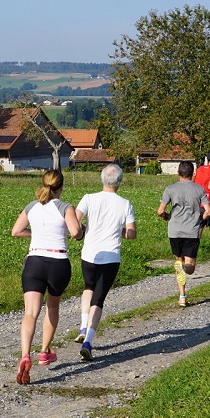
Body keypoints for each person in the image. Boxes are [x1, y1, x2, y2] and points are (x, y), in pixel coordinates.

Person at [11, 169, 83, 385]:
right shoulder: (66, 207)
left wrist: (36, 234)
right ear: (61, 187)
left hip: (34, 262)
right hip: (58, 263)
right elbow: (75, 233)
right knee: (52, 307)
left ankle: (25, 354)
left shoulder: (32, 206)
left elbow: (16, 231)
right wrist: (82, 230)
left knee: (30, 313)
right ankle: (44, 352)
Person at [75, 164, 137, 361]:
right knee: (98, 299)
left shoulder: (88, 198)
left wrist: (85, 230)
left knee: (88, 288)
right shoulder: (125, 204)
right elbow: (131, 234)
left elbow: (75, 222)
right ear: (119, 182)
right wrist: (118, 230)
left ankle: (83, 326)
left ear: (102, 179)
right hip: (110, 257)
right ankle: (88, 342)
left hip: (89, 254)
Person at [157, 161, 210, 307]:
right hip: (191, 230)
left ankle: (182, 296)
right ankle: (184, 270)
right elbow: (209, 211)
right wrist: (201, 219)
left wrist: (166, 217)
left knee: (178, 261)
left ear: (178, 173)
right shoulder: (199, 189)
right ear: (193, 173)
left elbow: (160, 211)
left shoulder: (170, 189)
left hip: (174, 230)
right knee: (190, 267)